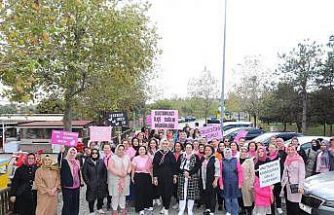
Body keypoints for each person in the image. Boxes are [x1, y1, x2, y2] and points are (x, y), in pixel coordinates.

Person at [153, 139, 177, 215]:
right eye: (163, 143)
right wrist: (155, 177)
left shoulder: (171, 154)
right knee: (162, 192)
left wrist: (174, 176)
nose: (165, 145)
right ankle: (164, 206)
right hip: (160, 176)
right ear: (161, 144)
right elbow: (155, 166)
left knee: (168, 192)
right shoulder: (157, 154)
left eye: (166, 143)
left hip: (169, 176)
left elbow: (174, 166)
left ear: (168, 144)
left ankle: (166, 208)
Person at [176, 143, 201, 215]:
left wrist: (189, 173)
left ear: (192, 148)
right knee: (182, 194)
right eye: (187, 147)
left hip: (192, 177)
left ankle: (190, 210)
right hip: (182, 177)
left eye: (190, 147)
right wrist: (184, 173)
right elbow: (177, 166)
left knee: (191, 194)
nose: (188, 149)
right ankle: (181, 209)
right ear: (185, 148)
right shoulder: (181, 156)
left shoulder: (195, 156)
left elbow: (197, 166)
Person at [281, 144, 306, 215]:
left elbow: (302, 174)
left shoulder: (299, 159)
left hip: (296, 185)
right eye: (288, 150)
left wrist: (301, 186)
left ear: (295, 150)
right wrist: (282, 182)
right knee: (288, 203)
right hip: (287, 184)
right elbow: (285, 171)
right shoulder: (287, 157)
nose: (290, 151)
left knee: (295, 204)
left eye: (292, 149)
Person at [108, 144, 131, 215]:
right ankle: (114, 209)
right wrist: (119, 174)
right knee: (115, 195)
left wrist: (127, 172)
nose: (121, 151)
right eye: (119, 149)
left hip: (125, 178)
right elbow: (110, 168)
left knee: (123, 194)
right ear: (117, 150)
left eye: (122, 149)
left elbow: (130, 166)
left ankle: (122, 207)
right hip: (115, 179)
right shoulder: (112, 158)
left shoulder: (127, 157)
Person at [83, 148, 107, 215]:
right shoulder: (87, 162)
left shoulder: (101, 161)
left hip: (100, 183)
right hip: (91, 183)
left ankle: (99, 208)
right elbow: (84, 173)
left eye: (96, 153)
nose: (94, 154)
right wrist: (88, 182)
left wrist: (104, 181)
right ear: (91, 154)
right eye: (93, 153)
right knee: (91, 198)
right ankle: (91, 211)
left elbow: (104, 172)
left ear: (98, 154)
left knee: (100, 196)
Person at [219, 148, 243, 215]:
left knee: (234, 198)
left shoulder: (235, 160)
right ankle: (228, 211)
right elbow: (220, 173)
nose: (227, 154)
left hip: (235, 182)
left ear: (231, 153)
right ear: (224, 153)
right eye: (226, 152)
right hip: (225, 182)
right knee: (227, 198)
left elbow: (240, 172)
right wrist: (221, 183)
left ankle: (235, 212)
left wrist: (240, 182)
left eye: (229, 152)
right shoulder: (222, 161)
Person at [131, 146, 154, 215]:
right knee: (139, 192)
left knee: (148, 191)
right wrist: (132, 177)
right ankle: (140, 208)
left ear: (145, 150)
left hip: (147, 176)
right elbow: (133, 169)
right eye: (140, 149)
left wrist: (152, 177)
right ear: (138, 151)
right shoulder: (135, 158)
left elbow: (151, 169)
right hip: (138, 176)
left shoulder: (149, 158)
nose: (142, 150)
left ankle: (147, 205)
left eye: (143, 149)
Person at [60, 147, 82, 215]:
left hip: (76, 186)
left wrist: (81, 182)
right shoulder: (64, 161)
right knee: (67, 203)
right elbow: (59, 162)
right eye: (71, 152)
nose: (72, 154)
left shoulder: (77, 161)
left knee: (75, 203)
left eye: (74, 153)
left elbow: (79, 172)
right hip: (67, 186)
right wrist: (61, 153)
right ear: (68, 153)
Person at [200, 145, 220, 215]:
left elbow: (217, 170)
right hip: (204, 179)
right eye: (206, 150)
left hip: (212, 179)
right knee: (206, 194)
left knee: (212, 195)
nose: (207, 151)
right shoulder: (203, 159)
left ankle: (212, 210)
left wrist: (215, 180)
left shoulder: (215, 159)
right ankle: (208, 208)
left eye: (209, 150)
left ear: (212, 151)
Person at [253, 147, 272, 215]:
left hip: (267, 184)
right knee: (259, 204)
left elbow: (272, 172)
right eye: (259, 152)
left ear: (264, 152)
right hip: (258, 185)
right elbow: (253, 173)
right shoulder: (255, 161)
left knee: (267, 203)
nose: (260, 153)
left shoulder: (268, 160)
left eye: (262, 151)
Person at [268, 144, 284, 214]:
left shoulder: (279, 157)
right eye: (270, 147)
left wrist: (280, 178)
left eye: (273, 147)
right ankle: (271, 209)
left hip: (277, 179)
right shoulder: (267, 157)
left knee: (277, 194)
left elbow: (282, 168)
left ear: (276, 149)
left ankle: (278, 206)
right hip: (269, 179)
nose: (271, 149)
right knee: (270, 195)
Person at [239, 147, 255, 215]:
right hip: (239, 182)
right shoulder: (237, 160)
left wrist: (251, 183)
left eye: (245, 151)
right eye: (242, 151)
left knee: (248, 198)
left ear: (247, 152)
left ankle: (249, 211)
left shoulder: (249, 160)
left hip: (247, 182)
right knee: (240, 197)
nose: (243, 152)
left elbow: (252, 173)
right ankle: (243, 210)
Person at [102, 143, 113, 210]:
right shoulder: (102, 157)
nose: (106, 149)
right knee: (105, 188)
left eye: (107, 148)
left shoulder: (113, 156)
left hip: (111, 175)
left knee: (110, 189)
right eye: (105, 148)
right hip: (103, 175)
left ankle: (109, 203)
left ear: (110, 148)